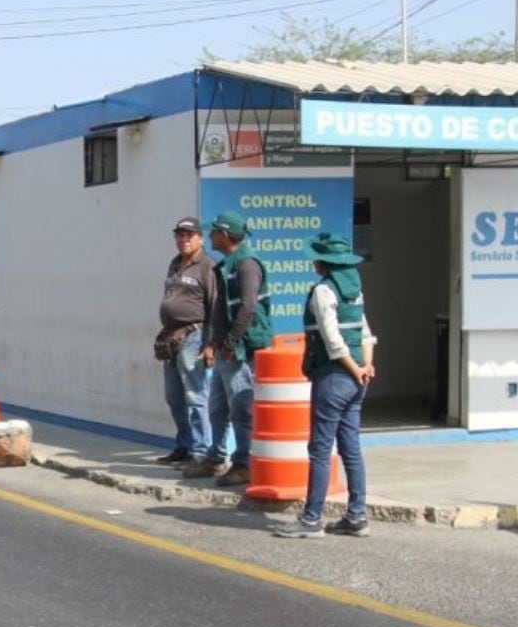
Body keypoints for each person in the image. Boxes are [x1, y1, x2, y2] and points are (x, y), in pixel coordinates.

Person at [275, 234, 377, 539]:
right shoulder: (354, 291)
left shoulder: (323, 291)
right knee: (351, 448)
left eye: (316, 257)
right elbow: (366, 334)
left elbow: (333, 341)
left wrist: (354, 368)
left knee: (320, 449)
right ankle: (357, 516)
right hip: (358, 379)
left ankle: (311, 519)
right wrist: (366, 367)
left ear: (324, 263)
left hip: (334, 377)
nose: (313, 262)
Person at [190, 211, 270, 486]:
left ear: (225, 235)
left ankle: (244, 463)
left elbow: (247, 308)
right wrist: (214, 344)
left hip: (242, 350)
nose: (210, 236)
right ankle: (215, 458)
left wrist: (232, 342)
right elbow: (222, 312)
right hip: (226, 349)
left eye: (213, 232)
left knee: (241, 407)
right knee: (217, 407)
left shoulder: (246, 265)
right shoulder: (228, 265)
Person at [154, 217, 220, 466]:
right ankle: (184, 445)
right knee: (174, 396)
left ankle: (200, 451)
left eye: (189, 235)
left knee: (195, 395)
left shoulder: (208, 266)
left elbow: (214, 306)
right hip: (172, 335)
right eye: (180, 235)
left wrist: (211, 343)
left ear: (200, 239)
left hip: (195, 334)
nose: (184, 240)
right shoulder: (175, 263)